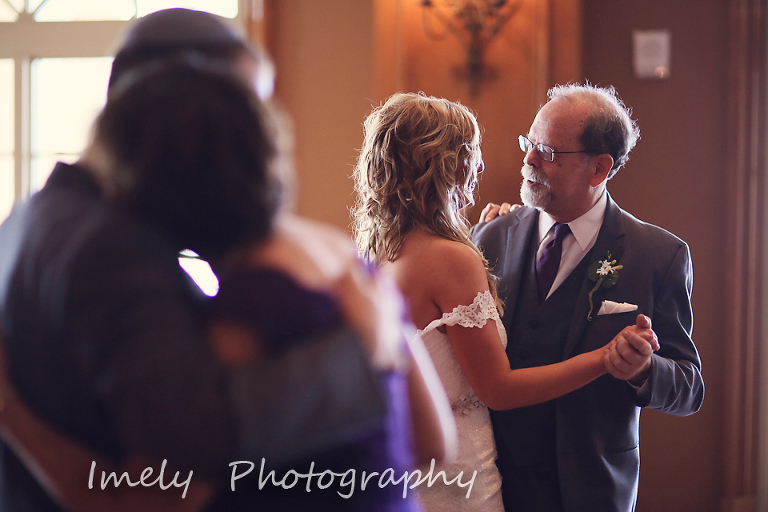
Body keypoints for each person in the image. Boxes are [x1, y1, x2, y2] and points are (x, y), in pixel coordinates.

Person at [0, 9, 433, 511]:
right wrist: (365, 353)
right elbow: (194, 452)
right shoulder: (112, 249)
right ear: (180, 110)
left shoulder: (35, 216)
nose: (251, 135)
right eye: (246, 107)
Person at [351, 92, 656, 512]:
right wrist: (605, 358)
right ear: (443, 163)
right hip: (460, 474)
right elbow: (497, 389)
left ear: (599, 168)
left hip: (414, 468)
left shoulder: (378, 252)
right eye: (471, 152)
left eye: (546, 151)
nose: (481, 166)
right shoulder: (457, 257)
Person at [471, 83, 705, 512]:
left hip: (589, 490)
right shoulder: (490, 236)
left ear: (599, 168)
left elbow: (689, 387)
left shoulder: (658, 255)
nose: (528, 160)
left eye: (547, 151)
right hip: (489, 484)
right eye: (528, 143)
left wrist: (643, 370)